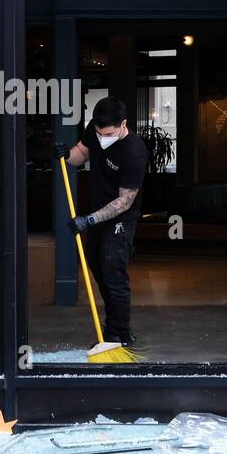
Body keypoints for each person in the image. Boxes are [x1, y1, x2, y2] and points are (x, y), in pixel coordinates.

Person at [56, 97, 147, 348]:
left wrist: (88, 220)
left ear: (123, 124)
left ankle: (120, 333)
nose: (102, 137)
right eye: (99, 132)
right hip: (95, 215)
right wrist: (67, 154)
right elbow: (81, 153)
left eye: (107, 133)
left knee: (113, 272)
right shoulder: (96, 129)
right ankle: (112, 323)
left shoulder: (134, 152)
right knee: (97, 268)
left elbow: (125, 201)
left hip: (120, 219)